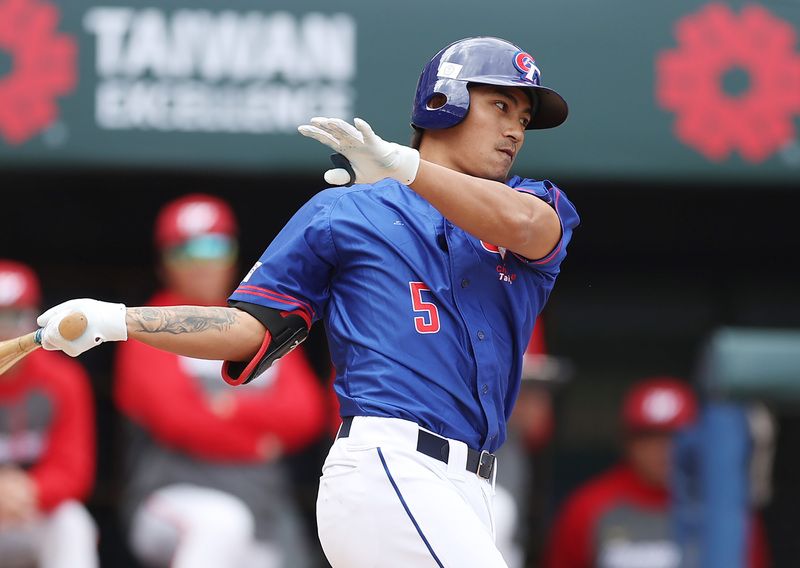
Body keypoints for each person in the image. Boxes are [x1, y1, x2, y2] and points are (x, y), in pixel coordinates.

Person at [35, 36, 579, 567]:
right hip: (391, 467)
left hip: (474, 490)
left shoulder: (534, 203)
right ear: (444, 102)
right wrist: (117, 319)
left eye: (524, 118)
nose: (515, 129)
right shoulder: (347, 213)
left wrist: (405, 169)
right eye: (501, 106)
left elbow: (523, 225)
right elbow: (249, 328)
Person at [113, 194, 327, 568]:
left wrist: (226, 409)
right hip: (171, 494)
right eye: (185, 251)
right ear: (163, 262)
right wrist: (261, 438)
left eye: (213, 247)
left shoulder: (259, 320)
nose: (201, 263)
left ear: (233, 254)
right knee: (222, 523)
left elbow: (307, 414)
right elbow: (177, 420)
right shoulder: (147, 322)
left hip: (262, 503)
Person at [542, 377, 770, 568]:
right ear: (627, 442)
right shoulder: (588, 506)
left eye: (674, 437)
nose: (663, 449)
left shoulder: (725, 506)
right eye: (648, 437)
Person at [0, 260, 98, 568]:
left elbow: (74, 469)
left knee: (72, 522)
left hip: (31, 508)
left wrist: (30, 490)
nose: (4, 330)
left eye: (16, 316)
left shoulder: (62, 379)